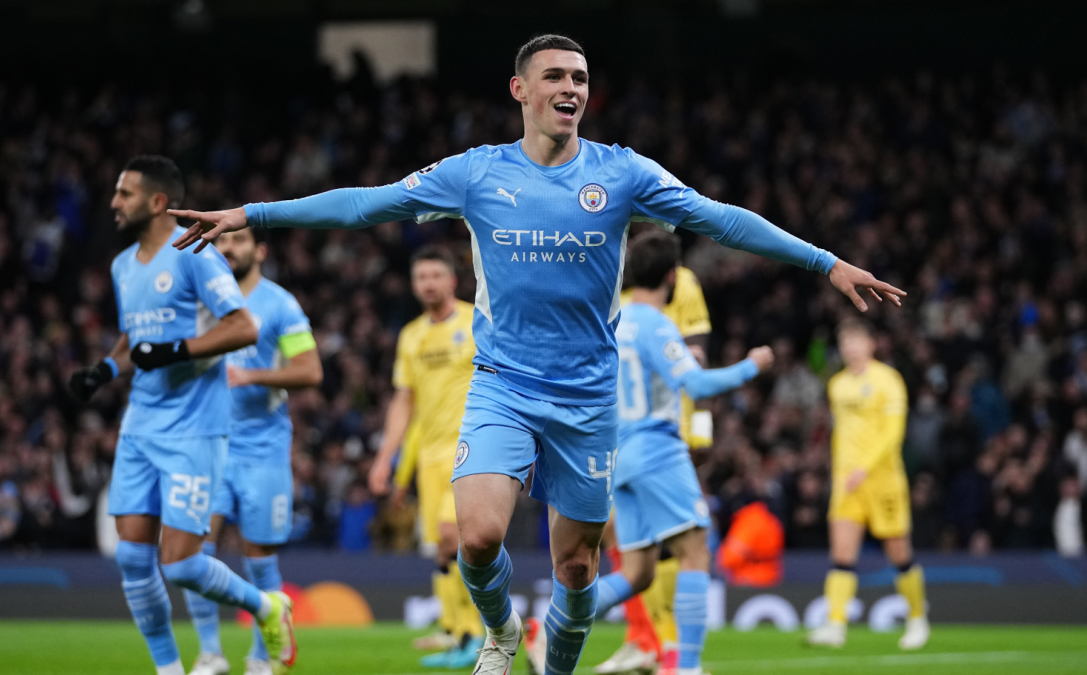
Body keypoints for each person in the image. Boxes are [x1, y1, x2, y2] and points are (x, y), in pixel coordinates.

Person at [169, 34, 903, 675]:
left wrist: (825, 262)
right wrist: (252, 213)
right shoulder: (477, 173)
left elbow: (721, 218)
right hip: (502, 386)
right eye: (555, 77)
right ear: (520, 89)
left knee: (577, 571)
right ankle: (496, 630)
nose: (570, 89)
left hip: (588, 401)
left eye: (580, 79)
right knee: (480, 534)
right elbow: (366, 204)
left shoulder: (623, 174)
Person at [67, 156, 294, 675]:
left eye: (124, 194)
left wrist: (175, 352)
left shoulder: (193, 252)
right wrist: (103, 370)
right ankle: (170, 669)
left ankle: (267, 606)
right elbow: (135, 339)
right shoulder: (123, 266)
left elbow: (242, 328)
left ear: (157, 202)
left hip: (196, 429)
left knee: (182, 563)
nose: (114, 203)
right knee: (131, 559)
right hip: (140, 426)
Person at [544, 230, 771, 675]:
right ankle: (686, 667)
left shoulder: (613, 321)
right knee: (694, 552)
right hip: (656, 448)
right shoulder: (657, 324)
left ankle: (548, 622)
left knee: (638, 573)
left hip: (619, 455)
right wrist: (752, 365)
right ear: (673, 277)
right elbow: (698, 384)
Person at [182, 227, 323, 675]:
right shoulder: (199, 301)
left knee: (259, 557)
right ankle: (210, 654)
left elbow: (310, 371)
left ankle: (262, 658)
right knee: (192, 554)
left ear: (258, 250)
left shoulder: (280, 305)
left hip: (262, 448)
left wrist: (252, 377)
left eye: (237, 241)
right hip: (206, 447)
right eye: (221, 243)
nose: (227, 248)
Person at [367, 246, 483, 669]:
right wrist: (387, 460)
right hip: (430, 455)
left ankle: (473, 632)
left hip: (471, 449)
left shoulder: (476, 321)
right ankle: (455, 630)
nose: (428, 283)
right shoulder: (411, 335)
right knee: (439, 548)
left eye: (436, 275)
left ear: (452, 280)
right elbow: (404, 403)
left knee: (456, 539)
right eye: (421, 277)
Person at [597, 258, 715, 675]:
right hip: (656, 435)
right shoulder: (655, 303)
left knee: (644, 555)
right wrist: (703, 427)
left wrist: (700, 429)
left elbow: (697, 347)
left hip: (624, 435)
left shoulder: (635, 292)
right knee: (682, 547)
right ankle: (667, 649)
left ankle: (649, 640)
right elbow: (698, 367)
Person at [807, 318, 929, 650]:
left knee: (899, 553)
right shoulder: (837, 385)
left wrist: (865, 466)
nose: (850, 347)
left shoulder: (888, 380)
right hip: (847, 483)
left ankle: (918, 619)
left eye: (856, 340)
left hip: (883, 480)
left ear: (871, 344)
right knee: (841, 556)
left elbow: (894, 433)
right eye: (845, 341)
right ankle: (835, 625)